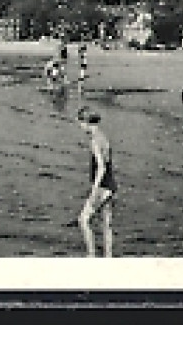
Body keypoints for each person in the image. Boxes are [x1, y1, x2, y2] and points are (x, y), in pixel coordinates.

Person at [76, 106, 115, 257]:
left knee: (83, 220)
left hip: (102, 187)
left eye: (80, 123)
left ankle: (91, 255)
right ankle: (108, 257)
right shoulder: (104, 138)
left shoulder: (94, 142)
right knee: (106, 225)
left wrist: (94, 192)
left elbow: (101, 168)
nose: (80, 127)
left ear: (86, 122)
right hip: (111, 185)